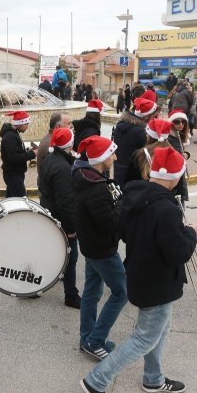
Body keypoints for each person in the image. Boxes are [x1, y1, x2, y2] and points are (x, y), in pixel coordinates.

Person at [80, 146, 197, 393]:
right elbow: (179, 252)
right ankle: (96, 381)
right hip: (157, 280)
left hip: (142, 273)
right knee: (144, 337)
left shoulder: (133, 194)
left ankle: (153, 378)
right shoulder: (165, 209)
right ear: (174, 177)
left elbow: (124, 232)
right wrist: (190, 233)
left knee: (160, 328)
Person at [72, 135, 127, 360]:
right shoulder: (97, 189)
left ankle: (87, 338)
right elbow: (111, 225)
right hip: (102, 250)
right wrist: (122, 202)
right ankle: (95, 341)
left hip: (90, 246)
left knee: (91, 293)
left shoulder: (86, 178)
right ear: (102, 157)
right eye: (112, 153)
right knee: (122, 292)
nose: (115, 157)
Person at [38, 127, 81, 309]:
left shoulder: (50, 159)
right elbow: (66, 201)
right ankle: (71, 295)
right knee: (71, 256)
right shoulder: (63, 167)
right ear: (69, 144)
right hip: (60, 217)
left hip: (49, 211)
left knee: (49, 252)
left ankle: (34, 286)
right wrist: (70, 229)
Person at [113, 96, 157, 187]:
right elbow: (151, 152)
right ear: (146, 117)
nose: (154, 118)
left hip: (119, 168)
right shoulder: (140, 132)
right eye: (153, 116)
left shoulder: (122, 124)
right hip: (132, 173)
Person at [0, 110, 36, 197]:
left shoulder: (14, 134)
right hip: (13, 175)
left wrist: (27, 151)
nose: (27, 127)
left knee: (11, 200)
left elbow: (15, 153)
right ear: (19, 124)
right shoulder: (11, 137)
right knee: (21, 199)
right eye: (26, 124)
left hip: (14, 174)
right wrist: (32, 153)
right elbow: (13, 158)